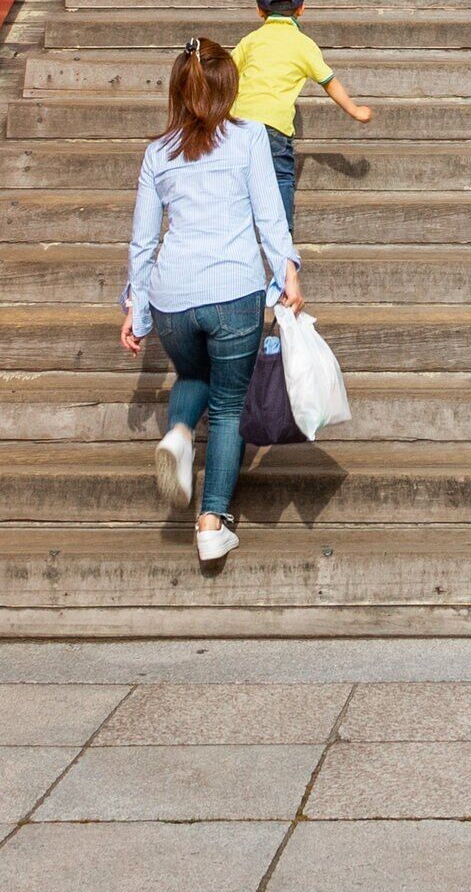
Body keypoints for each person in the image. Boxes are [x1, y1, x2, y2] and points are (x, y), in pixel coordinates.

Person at [121, 37, 302, 566]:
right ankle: (211, 521)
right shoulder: (248, 140)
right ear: (231, 90)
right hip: (232, 290)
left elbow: (142, 240)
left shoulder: (159, 153)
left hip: (172, 297)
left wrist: (137, 305)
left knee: (195, 377)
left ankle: (178, 434)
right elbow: (270, 218)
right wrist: (287, 275)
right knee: (227, 408)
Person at [230, 0, 373, 238]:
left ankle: (237, 227)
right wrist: (355, 111)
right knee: (282, 176)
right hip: (275, 126)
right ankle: (281, 234)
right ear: (302, 8)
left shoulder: (250, 41)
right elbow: (329, 81)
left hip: (238, 123)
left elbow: (226, 73)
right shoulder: (304, 44)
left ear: (259, 11)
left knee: (238, 175)